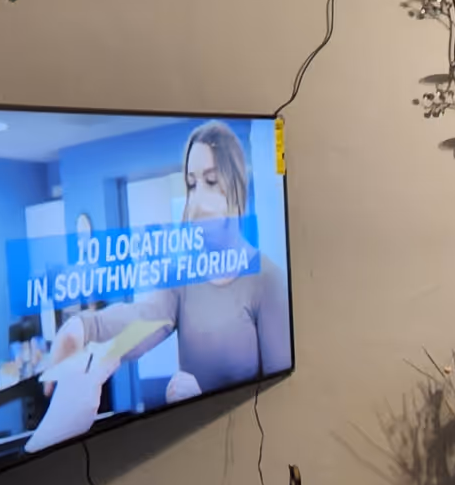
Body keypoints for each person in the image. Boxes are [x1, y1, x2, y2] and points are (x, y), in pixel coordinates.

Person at [37, 121, 292, 433]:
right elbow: (142, 318)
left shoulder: (267, 279)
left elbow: (283, 401)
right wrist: (81, 329)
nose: (198, 200)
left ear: (236, 187)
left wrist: (206, 399)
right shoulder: (181, 276)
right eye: (192, 185)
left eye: (211, 181)